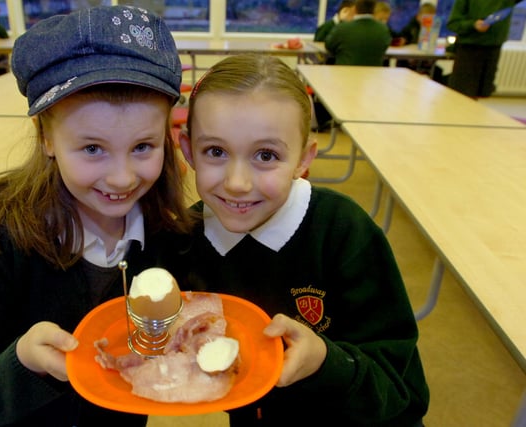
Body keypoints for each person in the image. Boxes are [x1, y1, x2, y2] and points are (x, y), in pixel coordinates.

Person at [0, 5, 193, 426]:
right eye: (92, 148)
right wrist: (21, 363)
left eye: (143, 146)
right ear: (47, 137)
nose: (123, 177)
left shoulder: (169, 229)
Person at [177, 53, 429, 426]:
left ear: (303, 160)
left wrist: (326, 362)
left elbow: (402, 391)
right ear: (187, 150)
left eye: (266, 155)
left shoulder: (345, 232)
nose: (237, 183)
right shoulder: (186, 238)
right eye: (216, 151)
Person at [447, 0, 519, 98]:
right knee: (462, 94)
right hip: (469, 50)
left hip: (493, 48)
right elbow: (453, 23)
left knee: (483, 93)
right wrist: (473, 25)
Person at [325, 0, 392, 66]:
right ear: (373, 9)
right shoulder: (383, 30)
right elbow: (385, 47)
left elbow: (329, 45)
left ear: (355, 9)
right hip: (372, 74)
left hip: (345, 73)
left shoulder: (342, 28)